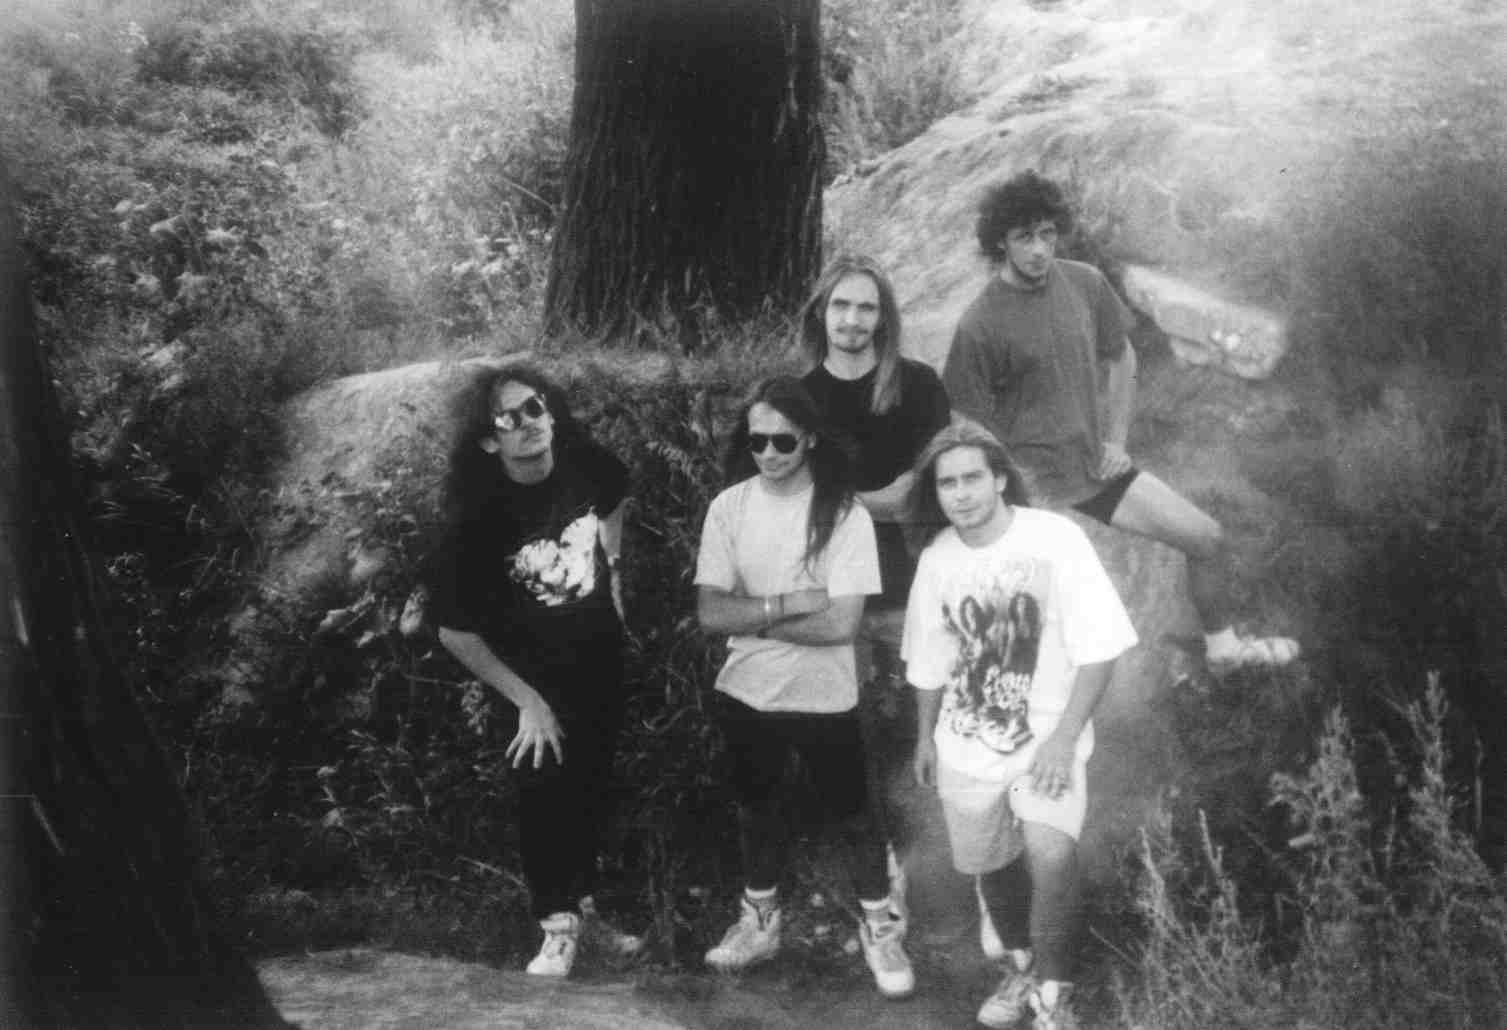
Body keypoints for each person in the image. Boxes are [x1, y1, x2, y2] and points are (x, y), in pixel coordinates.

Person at [942, 170, 1300, 678]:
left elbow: (1122, 356)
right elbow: (966, 429)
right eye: (1024, 237)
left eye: (1047, 233)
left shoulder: (1084, 283)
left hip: (1095, 468)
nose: (1039, 249)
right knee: (1037, 616)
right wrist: (1009, 497)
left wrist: (1115, 439)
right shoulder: (979, 324)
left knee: (1207, 538)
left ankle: (1224, 655)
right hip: (1032, 488)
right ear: (1000, 240)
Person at [905, 419, 1138, 1030]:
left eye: (973, 478)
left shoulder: (1055, 540)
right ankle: (1023, 965)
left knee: (1051, 853)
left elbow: (1101, 650)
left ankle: (1055, 995)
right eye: (948, 484)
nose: (961, 494)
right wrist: (925, 737)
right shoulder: (937, 560)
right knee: (993, 865)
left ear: (1001, 478)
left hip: (1046, 739)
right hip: (965, 741)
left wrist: (1063, 739)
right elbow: (928, 660)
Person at [694, 375, 914, 999]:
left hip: (826, 696)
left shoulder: (844, 514)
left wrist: (754, 618)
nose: (768, 453)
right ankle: (759, 921)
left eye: (783, 441)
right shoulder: (729, 507)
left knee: (854, 815)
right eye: (757, 440)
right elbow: (711, 613)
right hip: (746, 690)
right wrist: (790, 603)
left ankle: (880, 924)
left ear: (810, 439)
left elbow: (841, 624)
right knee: (756, 809)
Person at [428, 363, 639, 978]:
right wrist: (527, 701)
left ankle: (586, 910)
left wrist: (614, 565)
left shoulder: (584, 462)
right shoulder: (476, 521)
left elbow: (616, 495)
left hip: (599, 659)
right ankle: (556, 929)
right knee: (544, 794)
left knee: (594, 787)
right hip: (528, 679)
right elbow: (453, 631)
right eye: (508, 418)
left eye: (534, 407)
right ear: (488, 439)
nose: (527, 423)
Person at [799, 254, 952, 913]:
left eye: (867, 307)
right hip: (833, 595)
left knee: (919, 733)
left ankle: (935, 877)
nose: (853, 320)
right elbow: (795, 502)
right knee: (849, 739)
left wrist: (841, 502)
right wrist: (876, 501)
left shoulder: (917, 387)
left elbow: (924, 492)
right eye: (841, 305)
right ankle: (873, 881)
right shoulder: (800, 397)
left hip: (908, 587)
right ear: (820, 313)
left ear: (883, 319)